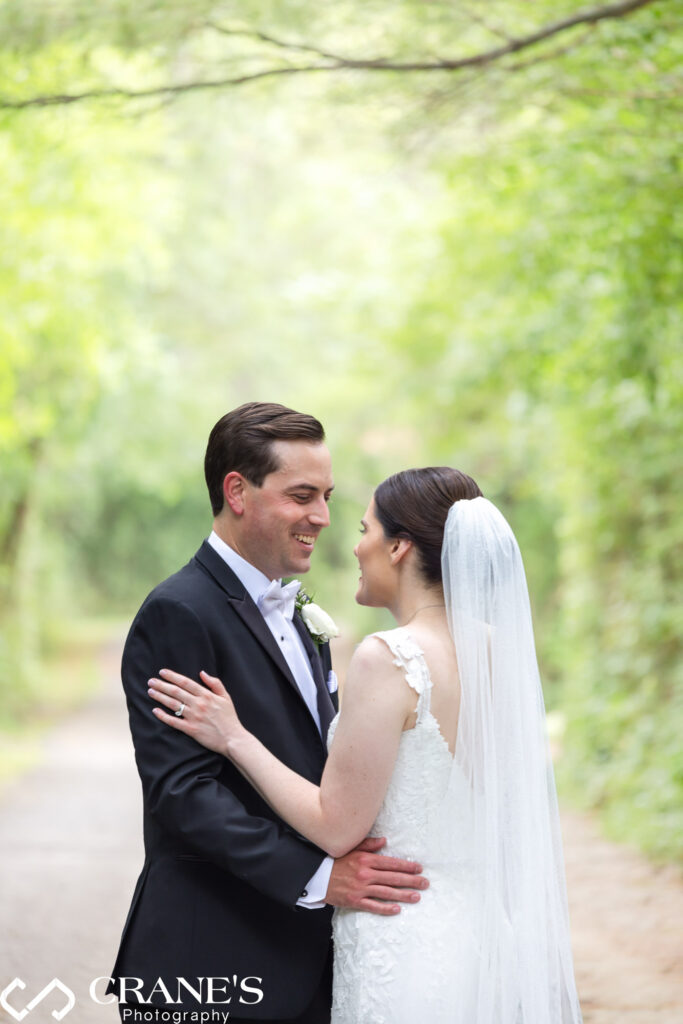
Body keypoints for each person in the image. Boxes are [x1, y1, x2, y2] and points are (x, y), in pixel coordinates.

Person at [149, 467, 584, 1024]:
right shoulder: (499, 652)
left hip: (403, 938)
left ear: (399, 546)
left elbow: (336, 825)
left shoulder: (391, 657)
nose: (354, 546)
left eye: (365, 529)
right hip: (483, 938)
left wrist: (234, 737)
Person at [109, 403, 427, 1024]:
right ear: (237, 491)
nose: (323, 518)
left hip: (312, 962)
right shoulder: (179, 611)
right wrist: (318, 878)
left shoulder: (299, 609)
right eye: (301, 495)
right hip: (211, 957)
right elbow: (183, 793)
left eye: (327, 496)